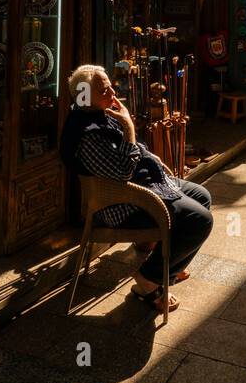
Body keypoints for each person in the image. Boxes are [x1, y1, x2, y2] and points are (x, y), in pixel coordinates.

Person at [60, 64, 213, 314]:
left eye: (110, 85)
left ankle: (166, 260)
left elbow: (129, 152)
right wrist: (129, 125)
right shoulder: (87, 134)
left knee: (202, 195)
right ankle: (148, 279)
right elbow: (122, 172)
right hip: (123, 203)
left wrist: (153, 159)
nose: (113, 92)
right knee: (199, 220)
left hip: (141, 184)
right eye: (104, 90)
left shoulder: (97, 112)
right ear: (86, 96)